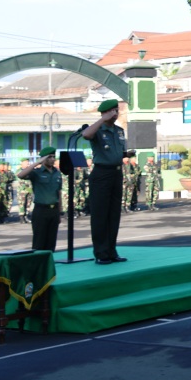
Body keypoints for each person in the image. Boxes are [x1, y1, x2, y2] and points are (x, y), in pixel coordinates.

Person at [82, 99, 128, 264]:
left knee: (113, 214)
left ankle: (111, 251)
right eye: (112, 111)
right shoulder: (97, 129)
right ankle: (101, 253)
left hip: (116, 173)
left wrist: (127, 154)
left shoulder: (119, 131)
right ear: (105, 112)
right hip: (101, 174)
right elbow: (86, 135)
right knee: (100, 215)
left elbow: (120, 151)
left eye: (117, 110)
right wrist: (102, 119)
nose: (116, 114)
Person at [17, 147, 64, 251]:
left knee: (51, 242)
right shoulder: (37, 172)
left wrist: (60, 212)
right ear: (43, 159)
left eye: (53, 157)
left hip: (54, 210)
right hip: (41, 210)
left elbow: (59, 193)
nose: (52, 159)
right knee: (39, 242)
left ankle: (49, 264)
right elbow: (21, 175)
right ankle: (38, 266)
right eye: (49, 157)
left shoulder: (57, 173)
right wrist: (37, 163)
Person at [15, 159, 33, 224]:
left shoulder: (30, 170)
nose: (27, 164)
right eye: (25, 162)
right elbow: (22, 176)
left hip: (29, 189)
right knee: (22, 203)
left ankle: (26, 216)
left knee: (28, 203)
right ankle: (21, 217)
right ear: (22, 163)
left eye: (28, 162)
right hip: (22, 190)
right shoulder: (19, 170)